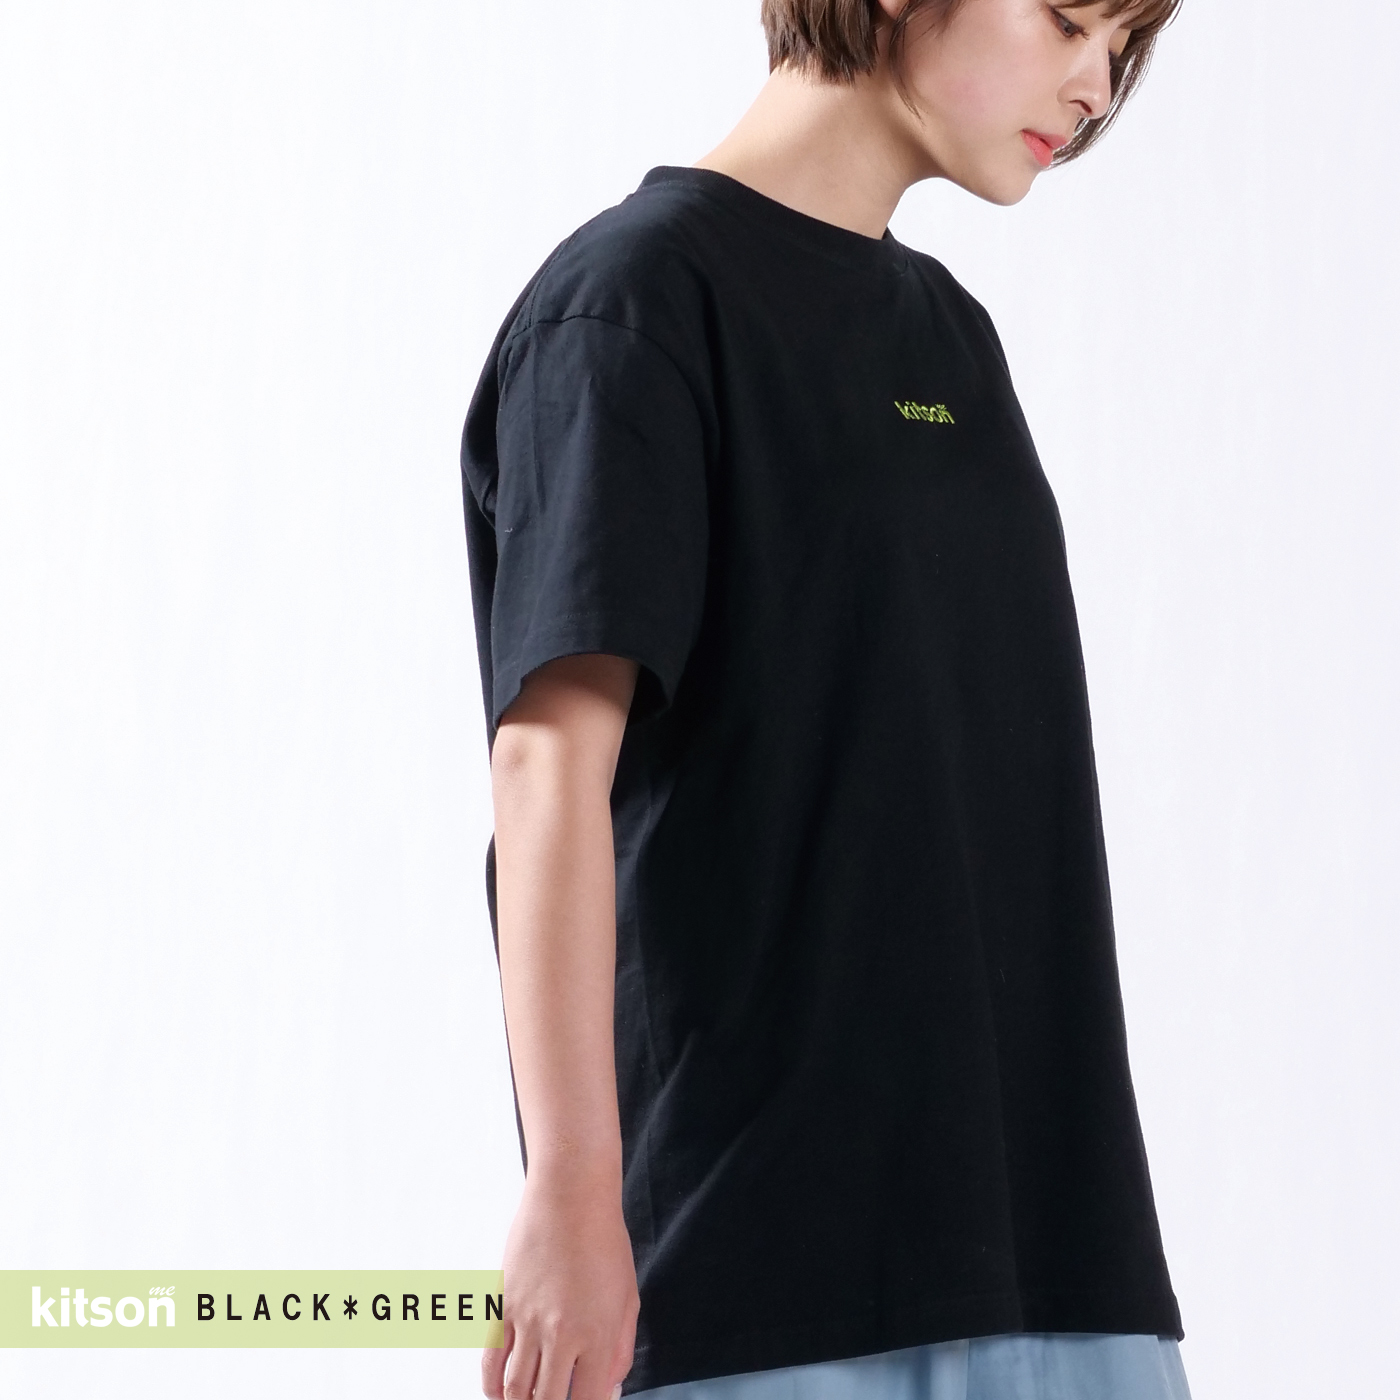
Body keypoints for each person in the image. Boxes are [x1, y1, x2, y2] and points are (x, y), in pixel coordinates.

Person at [459, 2, 1191, 1398]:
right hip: (768, 1285)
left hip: (1061, 1261)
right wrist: (571, 1190)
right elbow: (546, 772)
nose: (1095, 86)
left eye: (1122, 47)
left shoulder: (951, 338)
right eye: (1067, 19)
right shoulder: (634, 306)